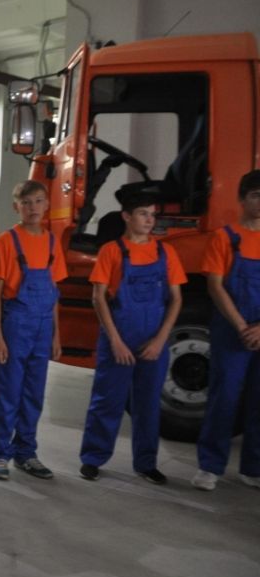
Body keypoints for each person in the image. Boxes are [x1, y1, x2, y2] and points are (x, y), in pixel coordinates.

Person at [79, 192, 185, 484]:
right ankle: (93, 458)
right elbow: (98, 297)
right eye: (143, 214)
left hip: (153, 341)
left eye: (152, 214)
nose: (149, 220)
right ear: (126, 216)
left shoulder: (166, 253)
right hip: (119, 338)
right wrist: (115, 340)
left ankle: (146, 463)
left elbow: (176, 299)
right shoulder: (112, 251)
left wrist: (160, 340)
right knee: (107, 401)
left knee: (149, 404)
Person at [0, 180, 67, 481]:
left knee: (33, 393)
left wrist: (56, 334)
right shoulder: (8, 241)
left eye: (38, 201)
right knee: (8, 391)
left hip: (43, 324)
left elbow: (54, 290)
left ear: (47, 205)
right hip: (16, 322)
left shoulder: (51, 242)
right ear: (15, 206)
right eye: (26, 202)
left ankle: (26, 452)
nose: (32, 207)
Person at [193, 170, 260, 491]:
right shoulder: (225, 238)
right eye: (256, 195)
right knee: (225, 397)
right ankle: (210, 466)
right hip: (231, 330)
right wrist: (243, 327)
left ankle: (253, 468)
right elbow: (215, 286)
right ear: (242, 199)